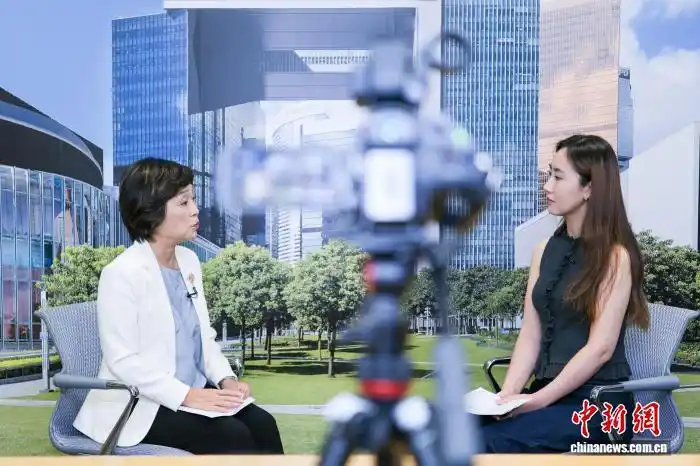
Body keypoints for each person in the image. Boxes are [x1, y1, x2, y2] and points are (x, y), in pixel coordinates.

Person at [73, 158, 284, 455]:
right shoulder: (120, 274)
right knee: (233, 436)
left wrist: (226, 380)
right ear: (151, 210)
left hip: (195, 392)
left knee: (263, 424)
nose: (195, 210)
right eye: (184, 202)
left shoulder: (189, 261)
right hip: (141, 403)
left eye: (193, 200)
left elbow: (204, 336)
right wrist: (187, 396)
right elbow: (122, 361)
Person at [479, 134, 650, 453]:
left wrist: (536, 401)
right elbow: (530, 334)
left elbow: (600, 350)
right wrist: (508, 395)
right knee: (455, 433)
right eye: (549, 174)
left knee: (490, 441)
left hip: (598, 407)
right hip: (546, 396)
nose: (547, 186)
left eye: (558, 177)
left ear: (589, 188)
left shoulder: (616, 257)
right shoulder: (543, 250)